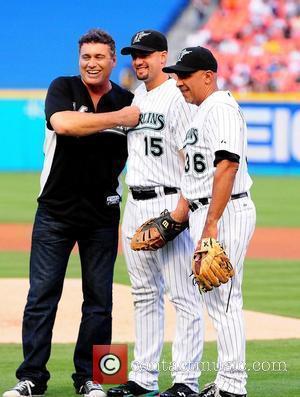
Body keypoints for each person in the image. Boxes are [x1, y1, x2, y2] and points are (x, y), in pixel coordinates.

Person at [3, 28, 139, 397]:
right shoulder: (62, 87)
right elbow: (64, 124)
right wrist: (119, 119)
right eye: (86, 57)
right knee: (42, 298)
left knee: (101, 302)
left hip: (103, 214)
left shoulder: (128, 99)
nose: (91, 63)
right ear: (78, 60)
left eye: (99, 57)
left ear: (113, 60)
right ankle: (31, 378)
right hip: (55, 211)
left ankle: (92, 379)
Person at [107, 30, 204, 397]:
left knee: (183, 295)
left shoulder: (177, 99)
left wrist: (180, 214)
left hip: (169, 204)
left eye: (146, 54)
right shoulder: (135, 98)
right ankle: (143, 378)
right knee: (144, 294)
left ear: (164, 56)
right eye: (135, 54)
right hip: (135, 203)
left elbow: (194, 163)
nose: (139, 60)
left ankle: (185, 381)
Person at [162, 46, 256, 397]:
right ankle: (227, 382)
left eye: (184, 75)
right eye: (176, 75)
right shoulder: (202, 112)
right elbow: (197, 175)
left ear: (208, 76)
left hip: (225, 209)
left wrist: (212, 223)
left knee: (225, 300)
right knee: (218, 300)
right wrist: (181, 217)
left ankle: (233, 387)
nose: (178, 81)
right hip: (209, 210)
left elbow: (228, 164)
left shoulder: (222, 108)